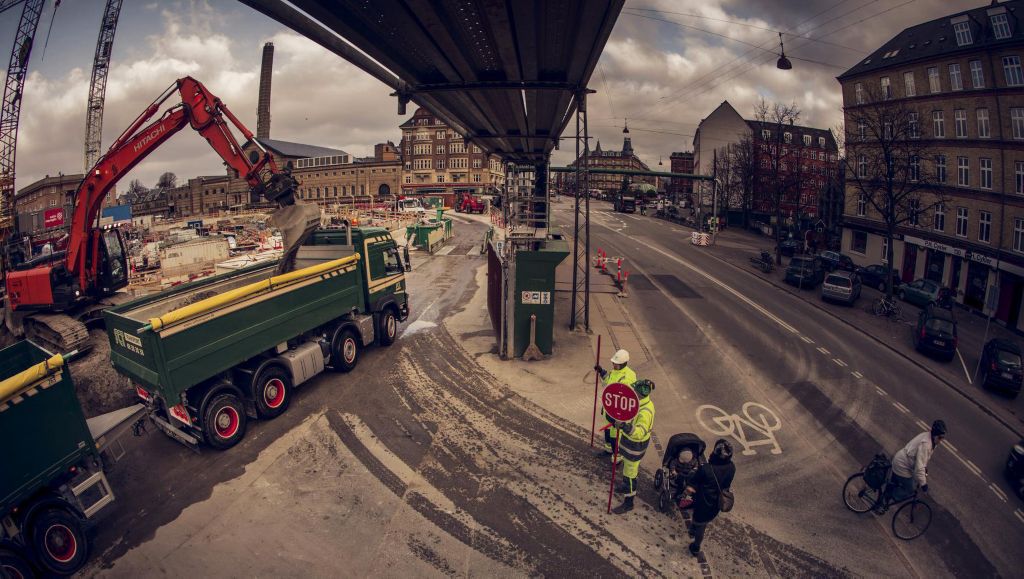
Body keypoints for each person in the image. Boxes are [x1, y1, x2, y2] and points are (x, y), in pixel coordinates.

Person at [881, 419, 946, 512]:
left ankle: (882, 501)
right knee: (909, 489)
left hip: (901, 460)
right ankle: (887, 496)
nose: (941, 440)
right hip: (902, 466)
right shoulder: (926, 444)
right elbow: (919, 468)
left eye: (942, 438)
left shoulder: (929, 437)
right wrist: (924, 485)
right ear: (935, 434)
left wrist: (924, 468)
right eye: (940, 438)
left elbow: (922, 460)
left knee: (894, 483)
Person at [611, 378, 655, 514]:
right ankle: (625, 486)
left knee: (630, 474)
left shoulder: (644, 411)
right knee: (627, 469)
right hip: (629, 444)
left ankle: (628, 502)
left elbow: (639, 433)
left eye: (634, 390)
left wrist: (624, 426)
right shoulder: (639, 404)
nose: (632, 391)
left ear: (640, 393)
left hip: (635, 446)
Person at [685, 439, 736, 556]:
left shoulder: (706, 469)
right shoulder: (731, 467)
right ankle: (693, 528)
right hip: (716, 503)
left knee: (701, 525)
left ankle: (696, 547)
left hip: (703, 503)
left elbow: (691, 487)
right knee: (701, 522)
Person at [594, 349, 637, 458]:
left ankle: (617, 457)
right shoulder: (615, 371)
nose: (613, 365)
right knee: (608, 434)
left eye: (616, 364)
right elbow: (608, 382)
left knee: (615, 438)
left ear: (624, 363)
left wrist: (619, 417)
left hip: (618, 415)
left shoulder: (629, 376)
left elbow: (625, 398)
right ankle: (608, 450)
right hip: (609, 410)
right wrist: (602, 372)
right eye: (613, 363)